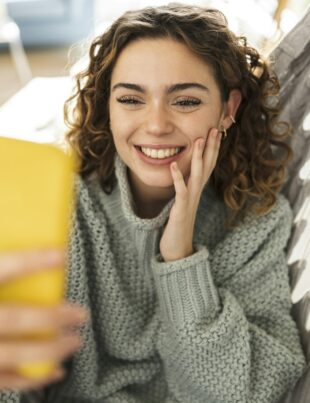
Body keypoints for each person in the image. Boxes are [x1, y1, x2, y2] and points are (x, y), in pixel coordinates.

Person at [0, 3, 307, 402]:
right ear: (107, 106)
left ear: (228, 109)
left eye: (185, 101)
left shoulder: (257, 221)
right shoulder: (61, 210)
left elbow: (247, 392)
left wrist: (179, 256)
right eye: (131, 100)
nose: (157, 125)